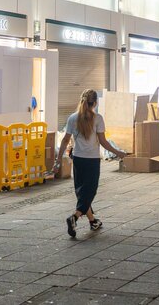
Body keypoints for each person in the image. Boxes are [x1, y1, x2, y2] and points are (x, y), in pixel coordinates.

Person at [54, 89, 127, 238]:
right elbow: (103, 142)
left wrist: (58, 160)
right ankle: (74, 217)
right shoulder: (98, 119)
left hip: (78, 160)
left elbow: (65, 140)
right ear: (95, 103)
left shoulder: (72, 118)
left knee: (82, 192)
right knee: (89, 192)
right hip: (92, 161)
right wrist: (118, 152)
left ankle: (93, 221)